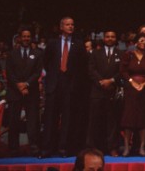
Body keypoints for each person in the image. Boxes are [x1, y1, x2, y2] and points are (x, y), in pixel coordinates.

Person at [40, 17, 88, 158]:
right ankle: (47, 149)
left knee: (68, 119)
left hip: (71, 87)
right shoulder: (52, 43)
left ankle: (64, 149)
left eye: (72, 24)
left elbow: (82, 66)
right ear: (61, 27)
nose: (71, 27)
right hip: (54, 85)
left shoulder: (79, 44)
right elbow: (46, 62)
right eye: (67, 24)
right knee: (50, 119)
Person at [120, 33, 145, 157]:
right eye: (141, 40)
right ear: (136, 42)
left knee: (144, 119)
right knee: (129, 118)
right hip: (131, 89)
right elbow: (123, 71)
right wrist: (132, 82)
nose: (143, 42)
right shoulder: (128, 55)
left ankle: (142, 147)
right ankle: (127, 147)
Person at [6, 27, 43, 157]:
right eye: (24, 36)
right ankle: (13, 149)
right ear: (19, 38)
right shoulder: (11, 54)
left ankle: (34, 148)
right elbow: (9, 73)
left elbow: (37, 72)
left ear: (31, 38)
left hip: (31, 91)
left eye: (28, 36)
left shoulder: (38, 53)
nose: (26, 39)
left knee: (33, 122)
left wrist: (26, 84)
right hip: (14, 91)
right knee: (13, 121)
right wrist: (19, 85)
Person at [86, 30, 123, 157]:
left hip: (112, 90)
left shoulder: (120, 53)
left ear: (116, 38)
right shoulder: (95, 53)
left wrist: (111, 81)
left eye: (113, 36)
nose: (110, 38)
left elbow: (122, 71)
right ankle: (92, 148)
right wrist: (101, 82)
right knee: (94, 121)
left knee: (112, 122)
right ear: (104, 38)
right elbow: (91, 70)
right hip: (97, 91)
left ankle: (112, 147)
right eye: (107, 36)